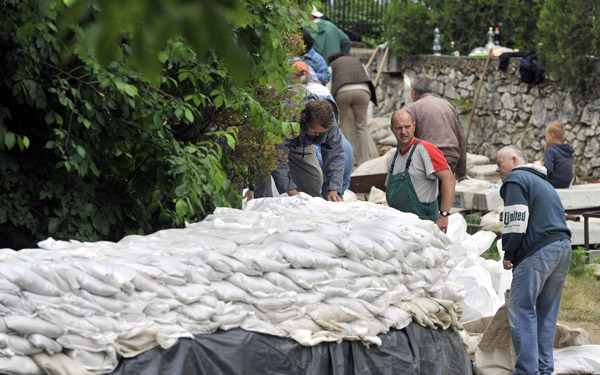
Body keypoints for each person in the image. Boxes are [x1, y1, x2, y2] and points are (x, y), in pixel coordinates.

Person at [495, 145, 571, 375]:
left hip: (538, 251)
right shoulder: (543, 182)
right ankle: (544, 369)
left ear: (514, 160)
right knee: (547, 313)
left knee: (521, 309)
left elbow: (515, 221)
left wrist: (509, 253)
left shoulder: (516, 178)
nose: (497, 169)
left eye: (500, 164)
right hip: (562, 247)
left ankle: (528, 372)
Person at [386, 110, 455, 232]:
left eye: (407, 127)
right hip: (399, 227)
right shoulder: (393, 158)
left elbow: (449, 179)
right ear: (391, 129)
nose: (403, 132)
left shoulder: (425, 149)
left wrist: (444, 215)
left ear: (414, 126)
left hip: (424, 224)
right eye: (399, 128)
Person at [270, 98, 345, 202]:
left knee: (314, 181)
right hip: (271, 143)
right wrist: (290, 188)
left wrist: (334, 188)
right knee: (263, 189)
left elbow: (335, 154)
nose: (318, 135)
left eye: (321, 133)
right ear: (304, 117)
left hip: (304, 145)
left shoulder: (329, 123)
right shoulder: (287, 117)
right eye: (315, 131)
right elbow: (277, 156)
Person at [405, 74, 467, 181]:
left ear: (414, 92)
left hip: (428, 159)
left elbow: (406, 141)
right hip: (450, 158)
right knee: (444, 194)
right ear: (432, 90)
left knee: (427, 195)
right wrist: (461, 172)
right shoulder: (448, 105)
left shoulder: (412, 109)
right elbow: (461, 139)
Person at [327, 52, 377, 166]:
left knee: (337, 126)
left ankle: (340, 160)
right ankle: (364, 162)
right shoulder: (358, 62)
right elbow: (366, 77)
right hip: (364, 92)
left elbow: (328, 87)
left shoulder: (332, 66)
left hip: (342, 92)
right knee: (361, 127)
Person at [542, 120, 574, 188]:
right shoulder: (567, 150)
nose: (546, 138)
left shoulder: (550, 151)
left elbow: (548, 170)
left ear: (552, 135)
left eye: (546, 135)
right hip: (566, 183)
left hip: (553, 183)